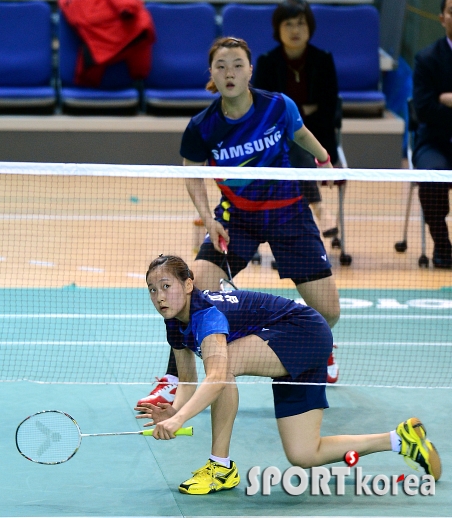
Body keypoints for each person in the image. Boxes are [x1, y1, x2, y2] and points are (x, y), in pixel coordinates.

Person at [137, 35, 341, 409]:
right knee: (187, 294)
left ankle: (321, 347)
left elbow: (299, 132)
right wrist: (208, 219)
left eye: (237, 65)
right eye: (221, 66)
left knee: (328, 311)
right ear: (212, 74)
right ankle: (172, 380)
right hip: (236, 219)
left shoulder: (278, 106)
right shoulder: (203, 126)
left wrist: (324, 157)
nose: (230, 73)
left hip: (288, 213)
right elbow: (192, 174)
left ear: (250, 70)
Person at [135, 254, 441, 495]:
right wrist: (175, 411)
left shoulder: (208, 314)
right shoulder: (174, 324)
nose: (159, 296)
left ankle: (220, 467)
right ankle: (400, 440)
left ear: (188, 285)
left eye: (166, 286)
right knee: (304, 453)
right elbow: (188, 381)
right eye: (152, 289)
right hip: (289, 344)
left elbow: (217, 377)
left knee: (224, 368)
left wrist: (178, 420)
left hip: (302, 330)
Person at [253, 0, 341, 240]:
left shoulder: (323, 61)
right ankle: (319, 208)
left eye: (300, 23)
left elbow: (328, 110)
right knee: (292, 138)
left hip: (320, 142)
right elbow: (264, 112)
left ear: (309, 27)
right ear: (277, 28)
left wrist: (292, 115)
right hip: (274, 144)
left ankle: (296, 233)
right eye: (288, 24)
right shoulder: (267, 63)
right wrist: (303, 112)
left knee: (295, 138)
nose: (294, 30)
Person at [413, 0, 452, 269]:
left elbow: (434, 104)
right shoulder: (427, 59)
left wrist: (447, 99)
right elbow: (424, 109)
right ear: (442, 17)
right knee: (431, 175)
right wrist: (439, 103)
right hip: (434, 142)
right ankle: (442, 245)